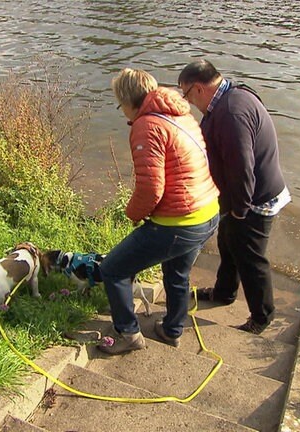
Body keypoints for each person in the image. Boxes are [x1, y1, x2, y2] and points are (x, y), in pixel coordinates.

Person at [97, 68, 220, 355]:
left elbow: (151, 189)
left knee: (113, 269)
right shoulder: (181, 115)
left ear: (128, 100)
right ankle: (172, 330)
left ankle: (128, 334)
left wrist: (132, 214)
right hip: (208, 212)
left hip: (180, 223)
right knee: (177, 273)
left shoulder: (146, 126)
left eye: (120, 105)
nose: (122, 111)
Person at [177, 59, 290, 334]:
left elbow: (242, 167)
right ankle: (224, 292)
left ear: (198, 88)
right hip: (239, 198)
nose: (188, 102)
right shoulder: (231, 97)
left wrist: (240, 210)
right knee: (228, 243)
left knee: (251, 257)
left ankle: (262, 317)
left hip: (254, 201)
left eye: (186, 95)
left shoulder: (231, 113)